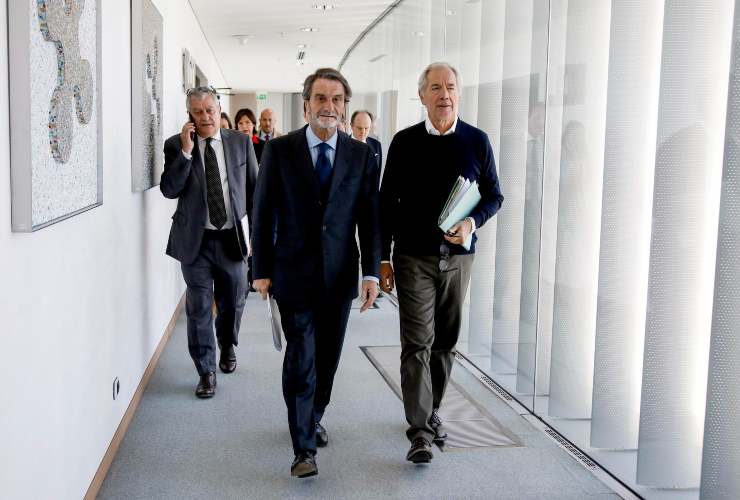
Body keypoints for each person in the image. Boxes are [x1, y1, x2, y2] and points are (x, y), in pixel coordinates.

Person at [251, 67, 381, 478]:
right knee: (301, 359)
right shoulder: (280, 150)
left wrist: (371, 273)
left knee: (326, 361)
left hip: (339, 276)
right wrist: (260, 269)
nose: (329, 106)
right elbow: (263, 211)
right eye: (321, 98)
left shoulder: (361, 154)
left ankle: (314, 414)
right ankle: (303, 449)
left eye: (337, 99)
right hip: (293, 273)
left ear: (344, 106)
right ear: (306, 105)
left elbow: (369, 219)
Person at [379, 62, 503, 464]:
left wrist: (472, 221)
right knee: (418, 341)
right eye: (435, 87)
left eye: (450, 86)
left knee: (445, 342)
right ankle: (419, 431)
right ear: (422, 96)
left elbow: (494, 195)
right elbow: (386, 203)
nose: (444, 94)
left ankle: (431, 409)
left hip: (459, 258)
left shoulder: (477, 141)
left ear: (458, 93)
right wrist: (382, 257)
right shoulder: (404, 142)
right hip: (413, 257)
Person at [160, 86, 258, 398]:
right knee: (199, 306)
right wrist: (187, 153)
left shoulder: (240, 142)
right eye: (198, 112)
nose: (205, 117)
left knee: (234, 301)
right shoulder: (176, 145)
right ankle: (206, 371)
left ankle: (227, 344)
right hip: (196, 241)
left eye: (210, 110)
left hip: (232, 238)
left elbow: (255, 191)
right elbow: (169, 189)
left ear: (219, 109)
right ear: (190, 115)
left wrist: (254, 236)